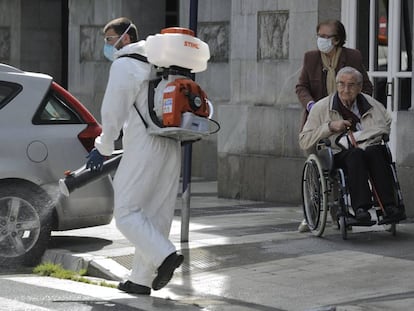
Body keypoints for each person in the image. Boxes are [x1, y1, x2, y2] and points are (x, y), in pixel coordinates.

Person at [85, 17, 183, 296]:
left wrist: (102, 147)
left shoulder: (126, 64)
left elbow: (113, 111)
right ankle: (140, 279)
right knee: (155, 214)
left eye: (108, 39)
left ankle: (165, 256)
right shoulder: (162, 63)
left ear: (125, 38)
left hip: (144, 145)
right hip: (170, 143)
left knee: (126, 213)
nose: (107, 46)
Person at [299, 66, 406, 224]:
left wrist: (362, 138)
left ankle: (389, 207)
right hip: (338, 153)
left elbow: (385, 125)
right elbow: (304, 139)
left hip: (369, 149)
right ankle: (361, 209)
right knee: (356, 155)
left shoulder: (372, 105)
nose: (345, 89)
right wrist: (329, 127)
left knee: (377, 151)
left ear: (360, 87)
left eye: (351, 85)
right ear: (336, 85)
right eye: (341, 84)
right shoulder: (321, 108)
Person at [296, 19, 373, 232]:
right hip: (318, 120)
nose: (321, 39)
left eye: (325, 36)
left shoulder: (353, 56)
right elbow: (301, 86)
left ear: (337, 39)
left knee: (342, 163)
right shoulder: (311, 58)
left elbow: (366, 86)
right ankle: (311, 213)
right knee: (316, 167)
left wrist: (355, 106)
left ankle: (339, 213)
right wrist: (311, 105)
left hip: (345, 120)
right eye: (319, 35)